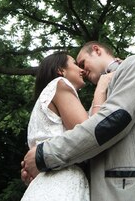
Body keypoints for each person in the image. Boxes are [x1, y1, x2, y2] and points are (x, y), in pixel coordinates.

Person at [22, 41, 135, 201]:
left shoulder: (133, 64)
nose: (82, 70)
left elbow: (112, 121)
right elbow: (84, 139)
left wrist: (44, 156)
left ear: (96, 50)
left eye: (82, 62)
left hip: (134, 192)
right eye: (77, 65)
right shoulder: (92, 105)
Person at [21, 51, 114, 201]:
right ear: (60, 70)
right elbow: (89, 134)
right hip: (61, 183)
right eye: (76, 64)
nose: (81, 70)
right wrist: (101, 88)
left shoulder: (42, 102)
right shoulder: (59, 84)